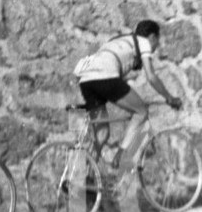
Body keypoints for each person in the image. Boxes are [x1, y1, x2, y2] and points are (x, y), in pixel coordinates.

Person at [73, 20, 182, 181]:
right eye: (157, 41)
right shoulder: (144, 42)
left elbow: (114, 69)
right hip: (106, 77)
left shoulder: (118, 41)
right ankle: (121, 154)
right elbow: (151, 77)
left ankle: (83, 180)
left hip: (86, 82)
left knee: (102, 135)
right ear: (152, 37)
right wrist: (169, 97)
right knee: (141, 111)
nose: (156, 46)